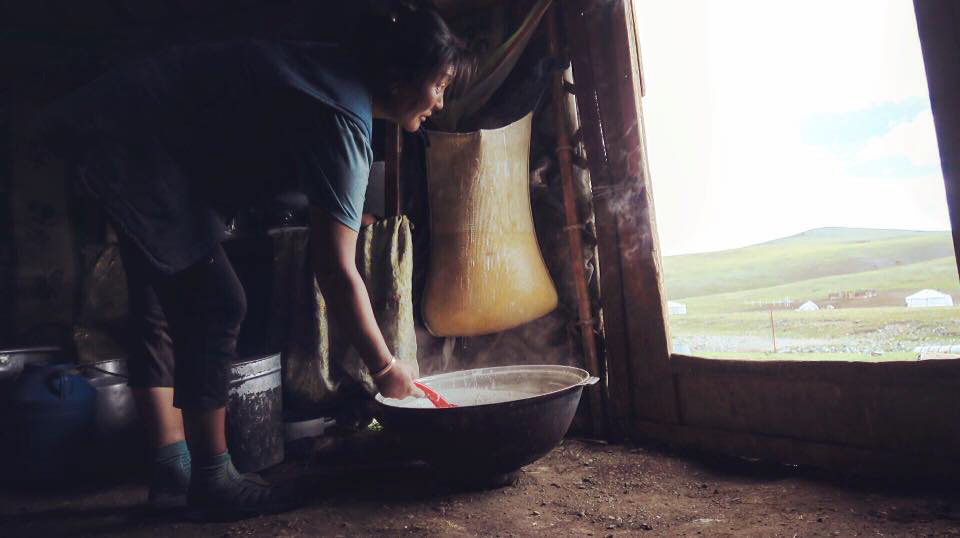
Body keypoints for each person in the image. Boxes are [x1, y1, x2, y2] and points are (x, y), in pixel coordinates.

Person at [32, 1, 474, 517]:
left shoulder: (333, 80)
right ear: (399, 78)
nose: (441, 101)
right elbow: (335, 269)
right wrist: (385, 368)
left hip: (122, 121)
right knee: (217, 302)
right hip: (135, 142)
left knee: (160, 302)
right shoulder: (343, 114)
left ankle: (172, 467)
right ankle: (213, 481)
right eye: (439, 84)